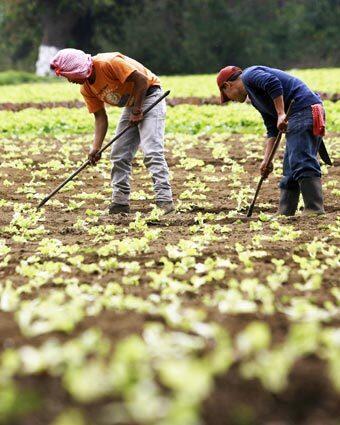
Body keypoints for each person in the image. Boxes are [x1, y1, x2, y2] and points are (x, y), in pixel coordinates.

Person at [50, 48, 174, 214]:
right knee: (119, 154)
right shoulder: (86, 89)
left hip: (150, 96)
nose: (68, 80)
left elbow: (142, 81)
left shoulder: (107, 63)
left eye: (67, 75)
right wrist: (96, 148)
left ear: (75, 68)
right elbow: (100, 118)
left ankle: (164, 201)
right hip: (132, 104)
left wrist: (137, 111)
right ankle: (120, 203)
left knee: (152, 151)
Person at [216, 65, 330, 215]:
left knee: (301, 160)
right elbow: (272, 128)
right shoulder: (256, 98)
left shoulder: (249, 75)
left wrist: (281, 113)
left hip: (303, 109)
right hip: (297, 114)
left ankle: (314, 209)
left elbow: (272, 83)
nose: (232, 100)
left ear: (227, 85)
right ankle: (285, 212)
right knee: (290, 168)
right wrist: (267, 160)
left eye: (227, 96)